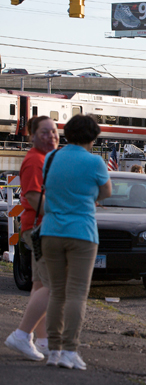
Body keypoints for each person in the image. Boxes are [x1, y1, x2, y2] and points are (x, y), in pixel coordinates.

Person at [41, 114, 112, 370]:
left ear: (67, 134)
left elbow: (47, 187)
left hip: (50, 231)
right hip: (82, 232)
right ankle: (70, 351)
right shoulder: (95, 162)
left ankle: (53, 350)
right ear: (93, 137)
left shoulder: (51, 158)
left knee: (56, 292)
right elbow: (107, 192)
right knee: (77, 294)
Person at [4, 116, 58, 361]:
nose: (51, 136)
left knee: (40, 285)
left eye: (54, 131)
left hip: (38, 227)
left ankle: (43, 340)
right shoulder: (35, 161)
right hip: (40, 227)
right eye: (45, 132)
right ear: (32, 135)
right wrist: (66, 211)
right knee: (51, 285)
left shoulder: (43, 159)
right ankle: (22, 334)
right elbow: (34, 198)